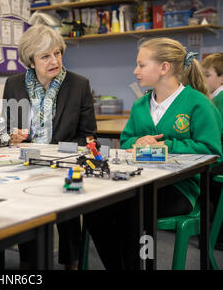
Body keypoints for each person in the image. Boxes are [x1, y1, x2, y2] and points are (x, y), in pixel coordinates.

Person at [84, 37, 222, 269]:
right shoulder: (140, 106)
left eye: (141, 65)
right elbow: (127, 141)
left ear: (164, 67)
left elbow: (212, 151)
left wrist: (165, 146)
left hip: (180, 188)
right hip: (138, 181)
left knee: (131, 209)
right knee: (94, 209)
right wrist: (139, 141)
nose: (136, 71)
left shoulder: (198, 103)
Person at [0, 24, 97, 270]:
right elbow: (7, 128)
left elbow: (87, 136)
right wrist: (12, 136)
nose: (54, 60)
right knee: (25, 209)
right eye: (45, 56)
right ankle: (26, 262)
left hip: (66, 162)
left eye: (58, 53)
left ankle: (71, 262)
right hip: (26, 162)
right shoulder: (14, 84)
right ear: (31, 61)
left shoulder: (79, 84)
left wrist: (56, 153)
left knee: (68, 207)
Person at [202, 52, 223, 250]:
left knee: (201, 173)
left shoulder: (220, 98)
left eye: (207, 75)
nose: (204, 79)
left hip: (221, 159)